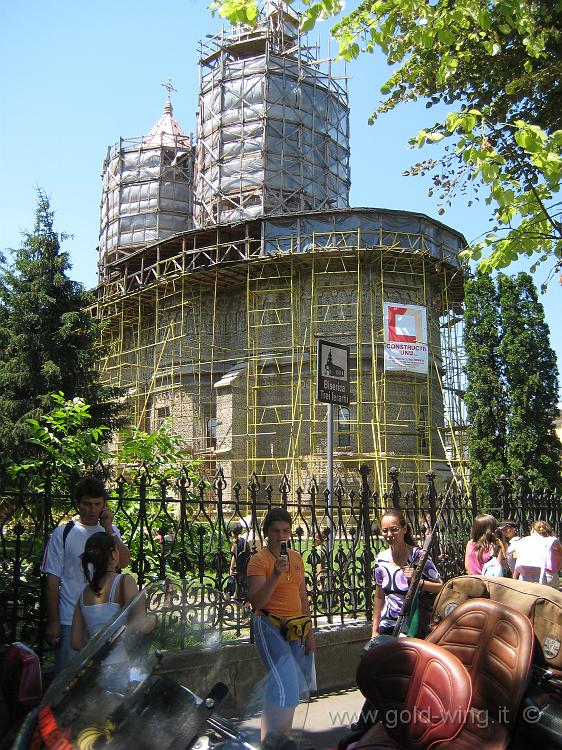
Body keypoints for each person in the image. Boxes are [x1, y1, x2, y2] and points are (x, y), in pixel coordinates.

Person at [42, 476, 131, 675]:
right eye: (87, 504)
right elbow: (52, 579)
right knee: (68, 681)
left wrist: (109, 528)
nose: (92, 510)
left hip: (103, 618)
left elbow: (124, 561)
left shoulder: (110, 532)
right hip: (69, 618)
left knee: (103, 683)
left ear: (104, 504)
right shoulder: (63, 533)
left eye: (97, 504)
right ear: (77, 504)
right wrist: (54, 620)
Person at [247, 507, 315, 741]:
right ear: (267, 532)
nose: (281, 536)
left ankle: (273, 740)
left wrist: (310, 631)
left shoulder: (296, 557)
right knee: (286, 683)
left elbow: (302, 595)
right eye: (275, 531)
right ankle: (281, 740)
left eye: (285, 530)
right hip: (270, 626)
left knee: (289, 685)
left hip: (296, 628)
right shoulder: (259, 561)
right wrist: (275, 575)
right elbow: (257, 602)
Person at [372, 508, 442, 637]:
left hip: (412, 626)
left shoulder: (419, 557)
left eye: (394, 529)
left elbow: (440, 587)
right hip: (387, 625)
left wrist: (417, 581)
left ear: (404, 529)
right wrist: (375, 630)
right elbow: (379, 596)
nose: (389, 534)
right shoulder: (380, 559)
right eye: (385, 530)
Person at [513, 520, 562, 588]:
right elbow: (559, 561)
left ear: (532, 529)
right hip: (546, 576)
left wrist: (514, 578)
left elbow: (517, 561)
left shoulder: (522, 541)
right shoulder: (552, 541)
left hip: (525, 578)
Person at [228, 523, 251, 601]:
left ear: (233, 532)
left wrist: (231, 568)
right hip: (245, 566)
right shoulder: (245, 542)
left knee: (232, 582)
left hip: (237, 567)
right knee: (242, 584)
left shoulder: (236, 543)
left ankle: (231, 595)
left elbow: (234, 557)